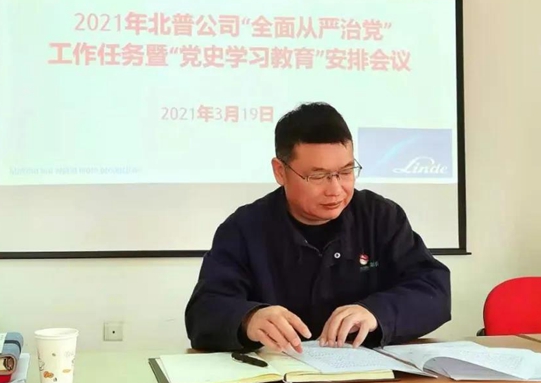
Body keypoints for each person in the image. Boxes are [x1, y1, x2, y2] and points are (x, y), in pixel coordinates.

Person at [185, 102, 451, 353]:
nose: (335, 189)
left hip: (367, 375)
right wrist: (248, 319)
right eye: (318, 176)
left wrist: (377, 312)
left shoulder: (380, 217)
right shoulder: (244, 228)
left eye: (345, 172)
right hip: (280, 378)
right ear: (280, 171)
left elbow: (434, 290)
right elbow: (204, 311)